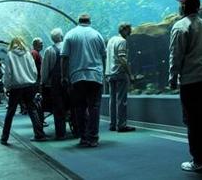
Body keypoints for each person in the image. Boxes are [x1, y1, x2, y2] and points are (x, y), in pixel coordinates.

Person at [168, 0, 202, 172]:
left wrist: (172, 78)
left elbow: (176, 55)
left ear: (183, 7)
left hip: (190, 81)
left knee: (193, 121)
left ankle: (199, 160)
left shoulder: (180, 26)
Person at [61, 14, 106, 147]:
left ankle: (84, 137)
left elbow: (64, 57)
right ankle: (93, 137)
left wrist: (64, 76)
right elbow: (104, 56)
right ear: (89, 22)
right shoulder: (97, 35)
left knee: (79, 108)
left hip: (77, 77)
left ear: (78, 22)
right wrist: (103, 73)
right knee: (94, 108)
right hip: (95, 76)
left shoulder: (70, 35)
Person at [0, 37, 47, 145]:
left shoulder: (10, 55)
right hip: (29, 85)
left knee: (10, 112)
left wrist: (7, 86)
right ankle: (40, 134)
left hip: (16, 87)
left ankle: (4, 137)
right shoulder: (27, 54)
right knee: (32, 110)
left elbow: (8, 73)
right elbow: (34, 70)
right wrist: (33, 81)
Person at [41, 28, 74, 139]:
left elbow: (45, 70)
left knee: (58, 108)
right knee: (73, 106)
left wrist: (44, 82)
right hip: (70, 82)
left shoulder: (49, 50)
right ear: (62, 36)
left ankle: (61, 133)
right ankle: (78, 130)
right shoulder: (70, 47)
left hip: (55, 84)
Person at [105, 22, 135, 132]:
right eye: (129, 29)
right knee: (121, 100)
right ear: (124, 30)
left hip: (109, 73)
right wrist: (130, 74)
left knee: (112, 100)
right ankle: (121, 125)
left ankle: (112, 124)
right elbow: (122, 58)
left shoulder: (111, 40)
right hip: (119, 74)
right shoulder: (122, 41)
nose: (130, 32)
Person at [31, 37, 46, 124]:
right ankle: (39, 120)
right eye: (40, 43)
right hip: (36, 81)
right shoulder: (34, 53)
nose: (42, 44)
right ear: (35, 44)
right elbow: (32, 65)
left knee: (38, 100)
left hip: (37, 80)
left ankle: (40, 119)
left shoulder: (37, 53)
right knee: (38, 100)